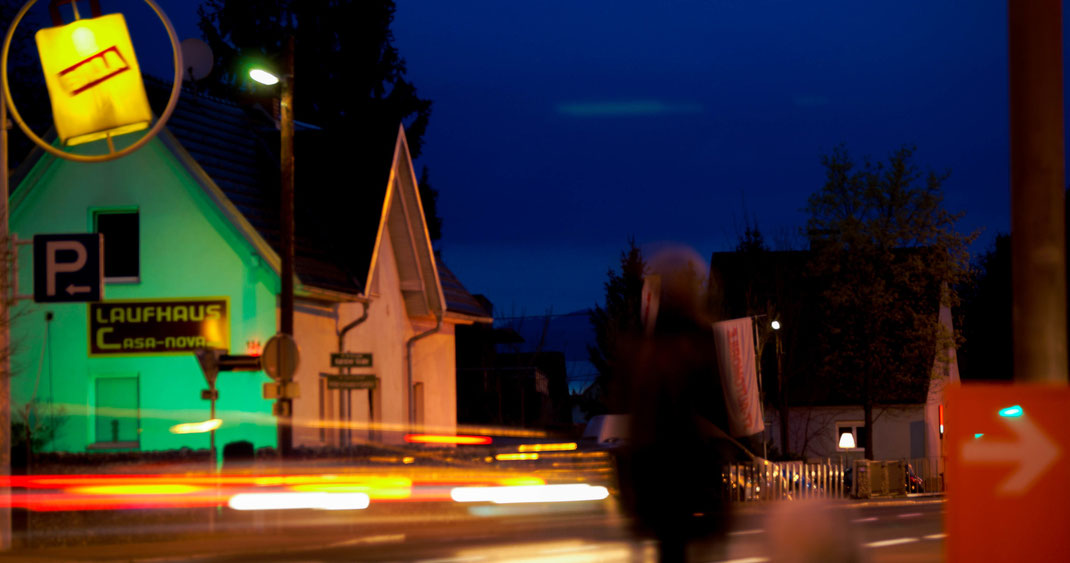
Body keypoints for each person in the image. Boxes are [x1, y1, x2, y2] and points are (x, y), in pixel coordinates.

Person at [614, 246, 733, 562]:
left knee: (670, 549)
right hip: (691, 472)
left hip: (652, 475)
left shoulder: (638, 345)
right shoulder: (701, 341)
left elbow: (628, 413)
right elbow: (720, 411)